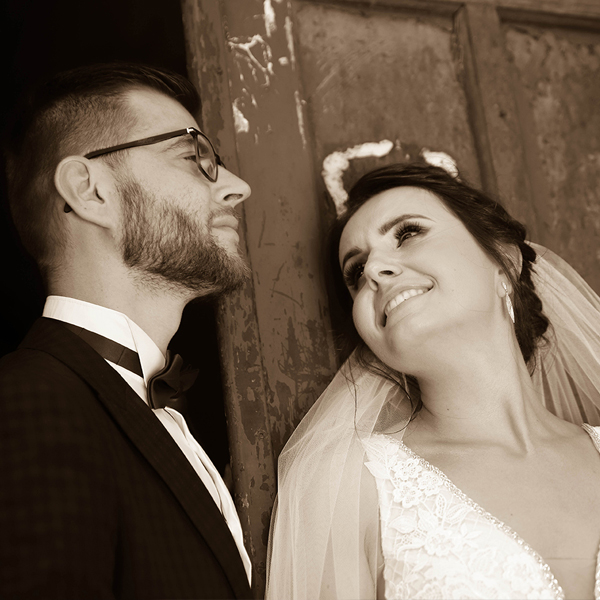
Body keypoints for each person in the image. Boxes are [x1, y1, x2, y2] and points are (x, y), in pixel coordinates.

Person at [266, 163, 600, 600]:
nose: (374, 270)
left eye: (407, 233)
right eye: (356, 272)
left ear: (504, 261)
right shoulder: (351, 487)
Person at [0, 63, 253, 599]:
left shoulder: (154, 408)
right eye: (193, 157)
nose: (237, 187)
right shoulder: (26, 401)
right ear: (90, 191)